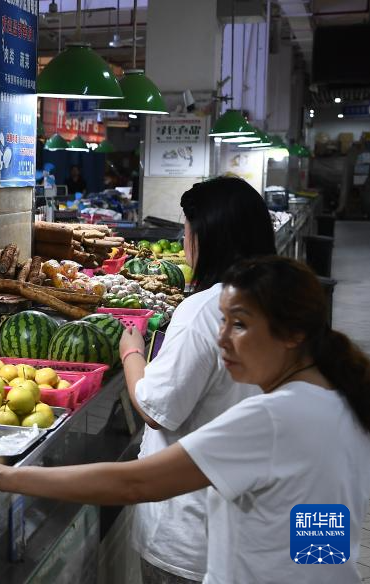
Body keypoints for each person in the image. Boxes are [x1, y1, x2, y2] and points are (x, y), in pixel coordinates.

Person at [0, 256, 370, 584]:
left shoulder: (272, 418)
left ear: (294, 334)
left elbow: (134, 484)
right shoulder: (340, 398)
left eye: (239, 324)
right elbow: (321, 522)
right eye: (222, 322)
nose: (221, 340)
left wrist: (1, 477)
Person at [112, 176, 277, 582]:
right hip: (252, 525)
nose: (184, 243)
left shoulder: (206, 310)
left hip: (191, 533)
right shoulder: (281, 301)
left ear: (208, 237)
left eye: (186, 230)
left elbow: (157, 409)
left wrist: (131, 351)